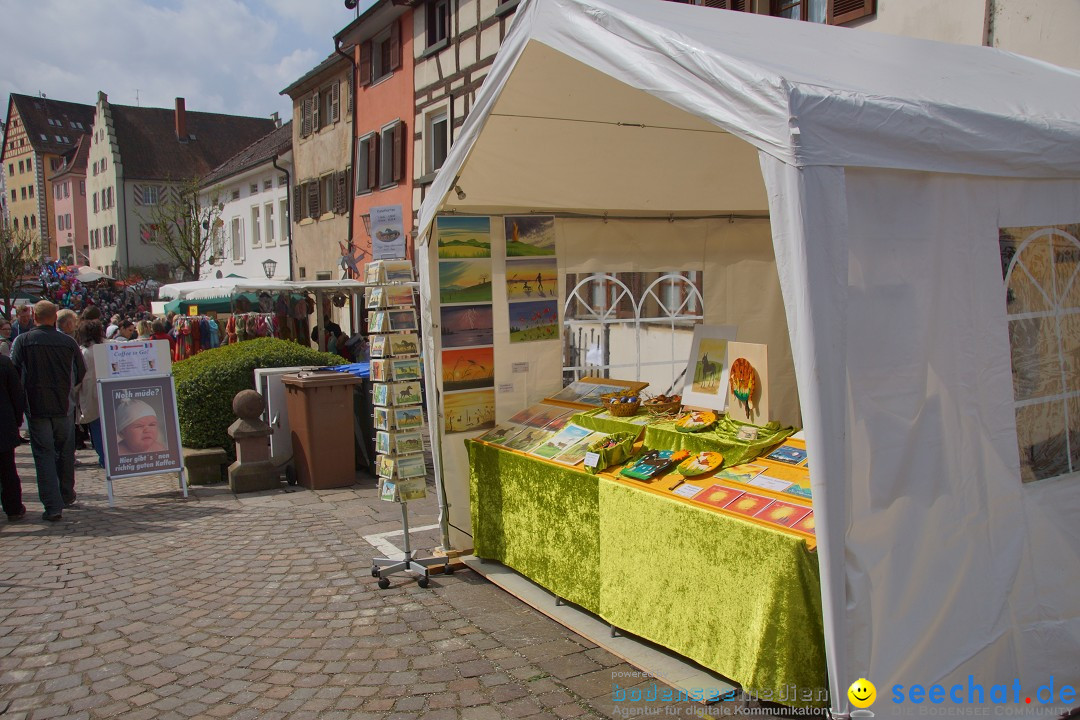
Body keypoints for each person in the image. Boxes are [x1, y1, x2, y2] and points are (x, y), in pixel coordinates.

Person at [10, 301, 86, 521]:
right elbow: (80, 372)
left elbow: (15, 374)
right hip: (63, 405)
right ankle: (65, 494)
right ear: (55, 318)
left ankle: (53, 505)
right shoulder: (68, 342)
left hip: (37, 406)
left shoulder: (23, 341)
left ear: (35, 316)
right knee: (65, 452)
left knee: (44, 455)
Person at [0, 351, 27, 521]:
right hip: (3, 425)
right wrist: (17, 420)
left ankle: (14, 507)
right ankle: (14, 508)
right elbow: (17, 395)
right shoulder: (4, 362)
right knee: (7, 469)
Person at [76, 320, 105, 468]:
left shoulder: (83, 352)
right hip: (107, 391)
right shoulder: (105, 347)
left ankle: (104, 459)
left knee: (96, 427)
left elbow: (78, 376)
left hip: (90, 393)